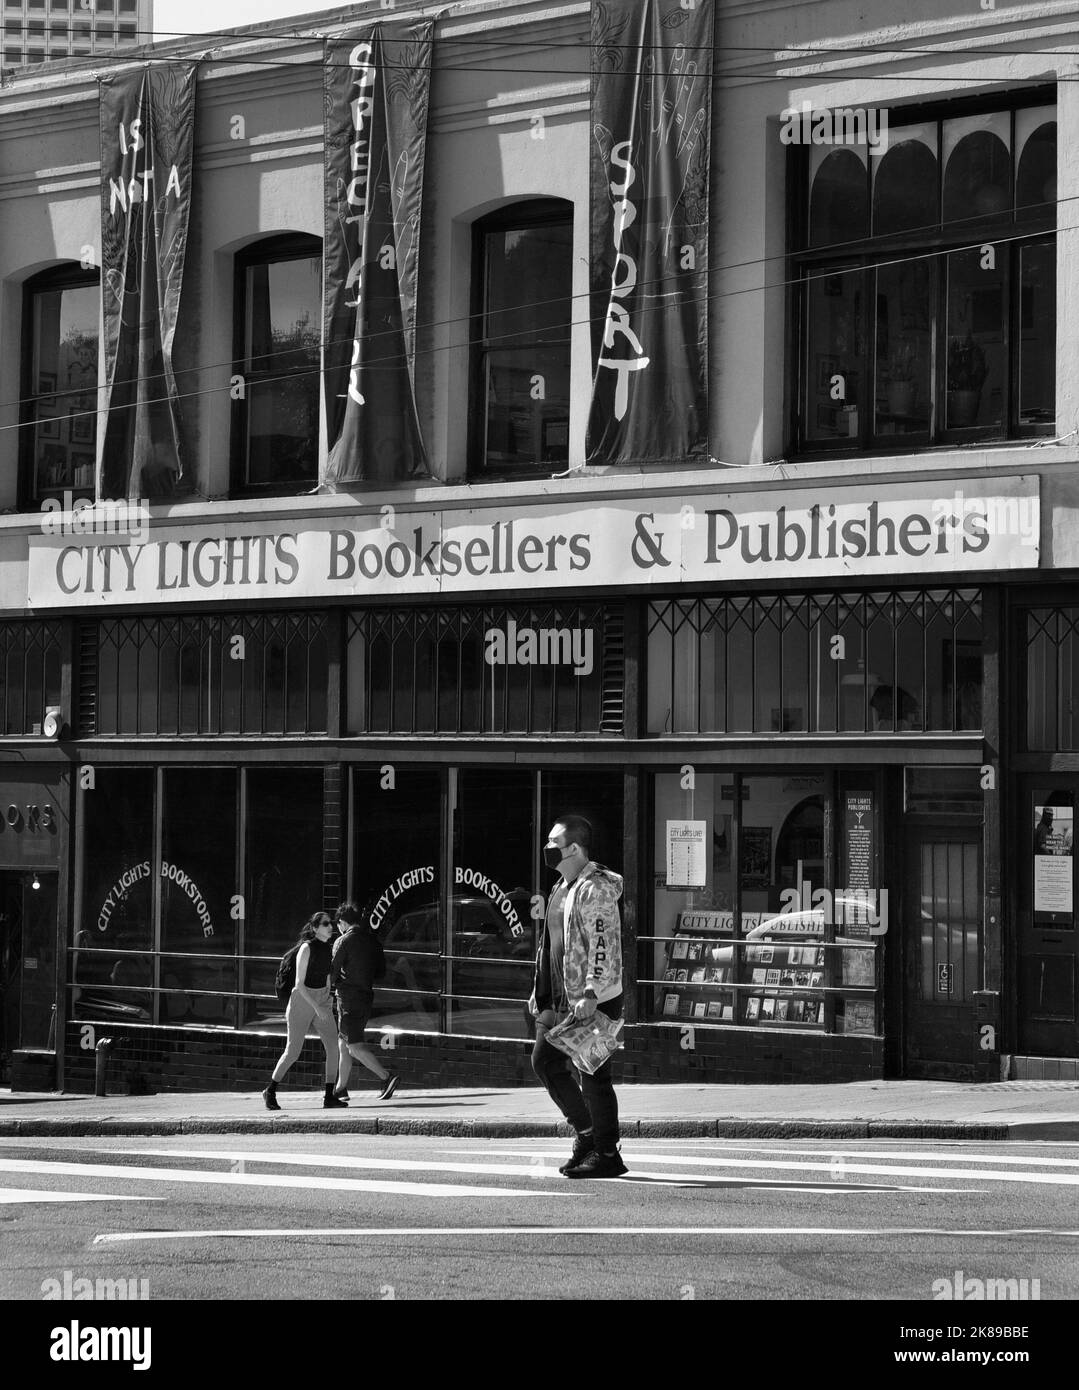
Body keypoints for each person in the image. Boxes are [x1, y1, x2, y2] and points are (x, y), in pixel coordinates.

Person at [529, 814, 627, 1179]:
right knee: (545, 1063)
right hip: (558, 998)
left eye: (554, 843)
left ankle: (607, 1153)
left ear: (573, 848)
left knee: (595, 1076)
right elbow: (550, 942)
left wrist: (591, 992)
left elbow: (605, 944)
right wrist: (537, 988)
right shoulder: (561, 886)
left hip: (590, 998)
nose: (548, 848)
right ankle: (587, 1134)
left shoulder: (594, 888)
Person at [262, 911, 345, 1110]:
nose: (330, 927)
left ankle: (329, 1096)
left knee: (333, 1047)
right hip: (302, 1000)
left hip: (321, 999)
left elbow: (326, 975)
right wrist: (317, 1006)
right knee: (293, 1051)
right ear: (315, 928)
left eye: (330, 923)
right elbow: (299, 983)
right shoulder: (306, 949)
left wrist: (327, 997)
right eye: (325, 924)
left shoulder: (328, 948)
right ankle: (270, 1090)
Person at [330, 900, 399, 1101]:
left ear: (342, 923)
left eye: (338, 925)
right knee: (343, 1043)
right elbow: (381, 972)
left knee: (354, 1046)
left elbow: (332, 972)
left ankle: (386, 1077)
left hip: (348, 1000)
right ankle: (340, 1090)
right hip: (366, 998)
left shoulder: (343, 941)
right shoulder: (372, 940)